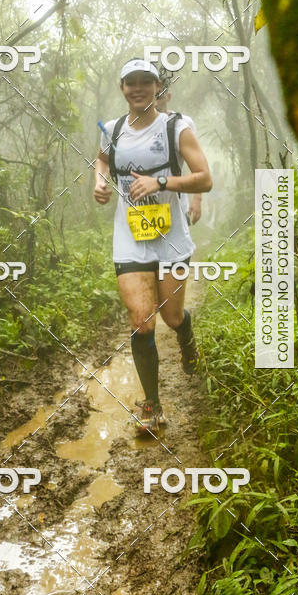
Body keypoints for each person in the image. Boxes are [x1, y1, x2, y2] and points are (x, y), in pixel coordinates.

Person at [93, 58, 212, 434]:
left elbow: (204, 179)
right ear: (123, 88)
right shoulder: (111, 129)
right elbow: (102, 160)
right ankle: (152, 406)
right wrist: (99, 181)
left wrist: (161, 185)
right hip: (130, 239)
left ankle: (186, 336)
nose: (138, 88)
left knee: (171, 317)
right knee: (142, 322)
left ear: (158, 87)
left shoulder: (177, 127)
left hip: (170, 240)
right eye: (131, 82)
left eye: (146, 81)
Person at [155, 80, 202, 227]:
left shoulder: (183, 122)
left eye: (159, 96)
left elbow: (197, 165)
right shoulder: (137, 124)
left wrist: (197, 199)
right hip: (145, 205)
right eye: (152, 96)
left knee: (180, 248)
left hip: (177, 201)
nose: (155, 101)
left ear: (168, 97)